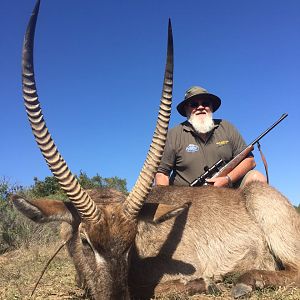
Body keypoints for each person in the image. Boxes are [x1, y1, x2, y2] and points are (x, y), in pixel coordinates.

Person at [155, 86, 267, 188]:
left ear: (211, 107)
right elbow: (162, 173)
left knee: (257, 177)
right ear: (186, 109)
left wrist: (227, 179)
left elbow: (250, 161)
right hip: (187, 198)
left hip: (227, 192)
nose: (200, 107)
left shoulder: (226, 127)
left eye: (205, 103)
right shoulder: (174, 134)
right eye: (194, 104)